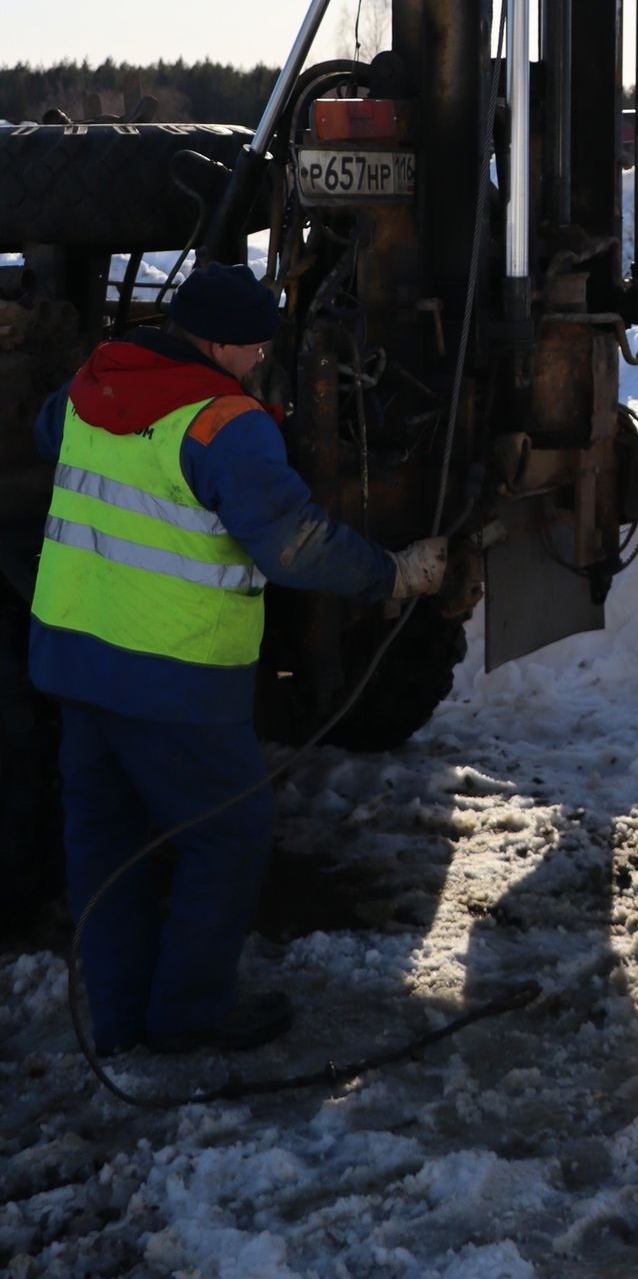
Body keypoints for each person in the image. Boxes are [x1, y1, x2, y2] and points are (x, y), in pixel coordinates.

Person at [28, 261, 447, 1058]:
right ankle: (186, 1015)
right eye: (253, 348)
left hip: (75, 656)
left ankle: (119, 1020)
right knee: (230, 836)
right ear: (217, 343)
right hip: (172, 675)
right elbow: (295, 545)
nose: (259, 360)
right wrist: (392, 573)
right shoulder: (226, 424)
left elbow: (49, 434)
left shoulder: (93, 382)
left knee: (104, 841)